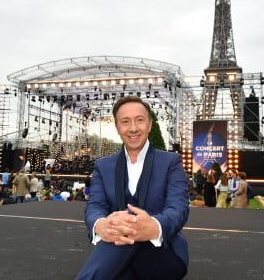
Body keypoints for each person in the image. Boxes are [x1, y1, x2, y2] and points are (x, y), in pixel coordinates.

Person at [76, 96, 189, 280]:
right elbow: (95, 206)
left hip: (163, 253)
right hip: (118, 250)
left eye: (140, 120)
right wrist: (100, 225)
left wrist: (153, 226)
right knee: (122, 230)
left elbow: (178, 208)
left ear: (150, 124)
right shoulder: (103, 166)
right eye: (125, 121)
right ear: (118, 127)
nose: (133, 128)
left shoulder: (171, 162)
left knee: (127, 226)